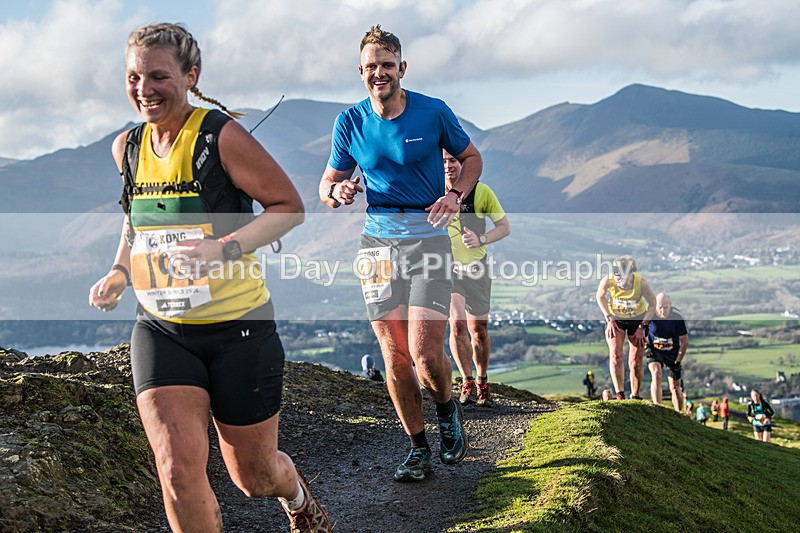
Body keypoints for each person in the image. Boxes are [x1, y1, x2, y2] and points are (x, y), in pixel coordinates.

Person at [88, 23, 330, 532]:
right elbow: (136, 220)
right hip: (161, 328)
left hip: (236, 328)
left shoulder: (221, 137)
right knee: (175, 470)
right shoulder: (126, 148)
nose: (143, 89)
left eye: (157, 76)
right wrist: (118, 269)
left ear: (190, 75)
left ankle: (298, 497)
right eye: (133, 77)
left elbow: (289, 208)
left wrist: (223, 247)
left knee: (256, 477)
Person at [319, 25, 482, 482]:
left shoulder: (433, 112)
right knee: (394, 356)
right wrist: (340, 192)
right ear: (361, 72)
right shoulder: (349, 122)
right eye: (371, 67)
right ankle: (417, 449)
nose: (379, 74)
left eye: (387, 66)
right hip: (376, 243)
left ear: (402, 69)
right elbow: (326, 185)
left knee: (426, 354)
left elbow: (472, 159)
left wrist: (455, 195)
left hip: (428, 239)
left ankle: (447, 410)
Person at [444, 149, 510, 407]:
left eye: (453, 161)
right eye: (444, 162)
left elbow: (504, 227)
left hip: (477, 268)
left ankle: (482, 379)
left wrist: (481, 239)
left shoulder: (481, 192)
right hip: (447, 269)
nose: (449, 166)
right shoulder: (433, 190)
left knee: (478, 330)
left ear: (463, 164)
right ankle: (466, 380)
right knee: (457, 323)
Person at [596, 256, 657, 400]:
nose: (619, 281)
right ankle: (620, 394)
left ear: (630, 275)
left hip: (638, 321)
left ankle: (635, 396)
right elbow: (600, 296)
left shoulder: (641, 283)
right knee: (616, 354)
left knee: (635, 361)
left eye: (622, 278)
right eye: (617, 277)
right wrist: (609, 317)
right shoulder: (608, 280)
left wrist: (643, 326)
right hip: (616, 320)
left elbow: (653, 305)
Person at [645, 293, 687, 413]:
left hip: (672, 352)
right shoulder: (650, 314)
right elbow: (641, 330)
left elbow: (684, 342)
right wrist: (645, 346)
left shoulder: (677, 317)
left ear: (671, 306)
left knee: (674, 386)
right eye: (659, 307)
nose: (662, 311)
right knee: (656, 373)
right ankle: (657, 407)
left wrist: (678, 361)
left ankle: (679, 413)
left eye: (665, 307)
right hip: (654, 349)